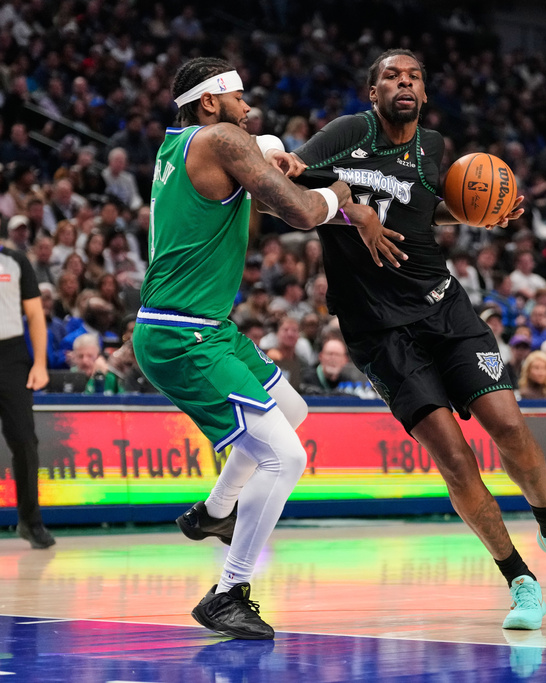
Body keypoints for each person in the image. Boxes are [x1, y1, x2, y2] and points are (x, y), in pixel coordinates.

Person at [286, 49, 546, 630]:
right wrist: (352, 211)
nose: (403, 83)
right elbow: (289, 191)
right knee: (455, 459)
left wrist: (478, 214)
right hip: (378, 332)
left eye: (413, 77)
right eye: (390, 76)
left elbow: (424, 210)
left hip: (443, 308)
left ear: (425, 93)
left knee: (507, 424)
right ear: (373, 90)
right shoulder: (347, 133)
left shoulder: (433, 148)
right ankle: (520, 580)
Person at [134, 57, 403, 641]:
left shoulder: (182, 145)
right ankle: (228, 592)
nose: (247, 106)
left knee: (294, 412)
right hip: (183, 333)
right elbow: (303, 211)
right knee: (287, 457)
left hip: (202, 324)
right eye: (238, 97)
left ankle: (214, 511)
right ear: (211, 104)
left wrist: (276, 153)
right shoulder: (224, 138)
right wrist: (339, 195)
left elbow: (255, 148)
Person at [0, 242, 55, 549]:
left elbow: (35, 315)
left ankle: (30, 521)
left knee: (24, 440)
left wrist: (40, 363)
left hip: (11, 355)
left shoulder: (15, 261)